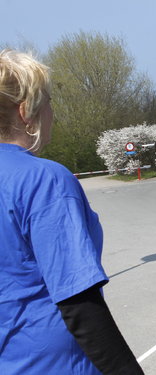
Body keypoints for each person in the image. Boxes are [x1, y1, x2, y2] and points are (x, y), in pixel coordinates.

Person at [0, 49, 144, 374]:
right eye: (48, 102)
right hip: (56, 363)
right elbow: (78, 302)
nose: (52, 112)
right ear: (26, 111)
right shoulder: (43, 179)